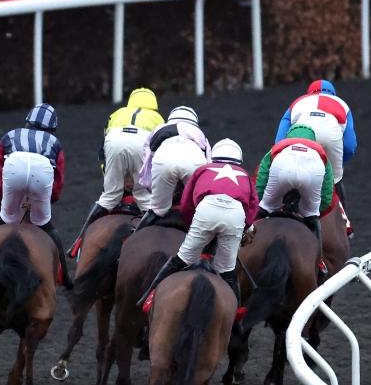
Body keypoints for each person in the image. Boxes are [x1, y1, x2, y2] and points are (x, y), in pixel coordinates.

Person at [137, 139, 258, 310]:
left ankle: (148, 296)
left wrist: (192, 222)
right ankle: (236, 315)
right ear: (239, 159)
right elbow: (253, 206)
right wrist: (245, 226)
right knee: (227, 269)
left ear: (214, 156)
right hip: (235, 215)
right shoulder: (244, 175)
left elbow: (187, 202)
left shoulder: (203, 169)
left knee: (182, 258)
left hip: (206, 210)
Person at [70, 87, 165, 254]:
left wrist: (114, 179)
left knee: (108, 198)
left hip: (114, 139)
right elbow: (158, 159)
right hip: (141, 142)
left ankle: (78, 243)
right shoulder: (158, 119)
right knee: (144, 199)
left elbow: (103, 155)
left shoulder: (116, 114)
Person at [0, 103, 73, 289]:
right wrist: (44, 202)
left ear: (27, 121)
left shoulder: (9, 136)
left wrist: (3, 202)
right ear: (52, 128)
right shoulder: (54, 143)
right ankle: (66, 278)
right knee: (47, 225)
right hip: (42, 172)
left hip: (13, 165)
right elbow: (57, 183)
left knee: (4, 220)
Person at [254, 123, 334, 276]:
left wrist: (263, 203)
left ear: (288, 135)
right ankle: (319, 262)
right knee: (313, 217)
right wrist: (313, 211)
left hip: (282, 166)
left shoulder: (278, 147)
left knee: (263, 209)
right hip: (313, 169)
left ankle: (241, 247)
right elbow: (327, 193)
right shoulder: (320, 152)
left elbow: (262, 177)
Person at [274, 79, 357, 205]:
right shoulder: (342, 104)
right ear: (333, 94)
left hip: (300, 139)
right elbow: (350, 146)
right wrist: (334, 162)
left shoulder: (298, 102)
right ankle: (342, 213)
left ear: (309, 93)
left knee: (287, 176)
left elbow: (279, 140)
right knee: (335, 182)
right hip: (330, 139)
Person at [135, 105, 211, 231]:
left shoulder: (158, 129)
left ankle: (136, 233)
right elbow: (209, 164)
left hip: (163, 162)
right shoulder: (200, 134)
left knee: (157, 210)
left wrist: (150, 186)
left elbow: (147, 160)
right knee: (201, 210)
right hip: (194, 163)